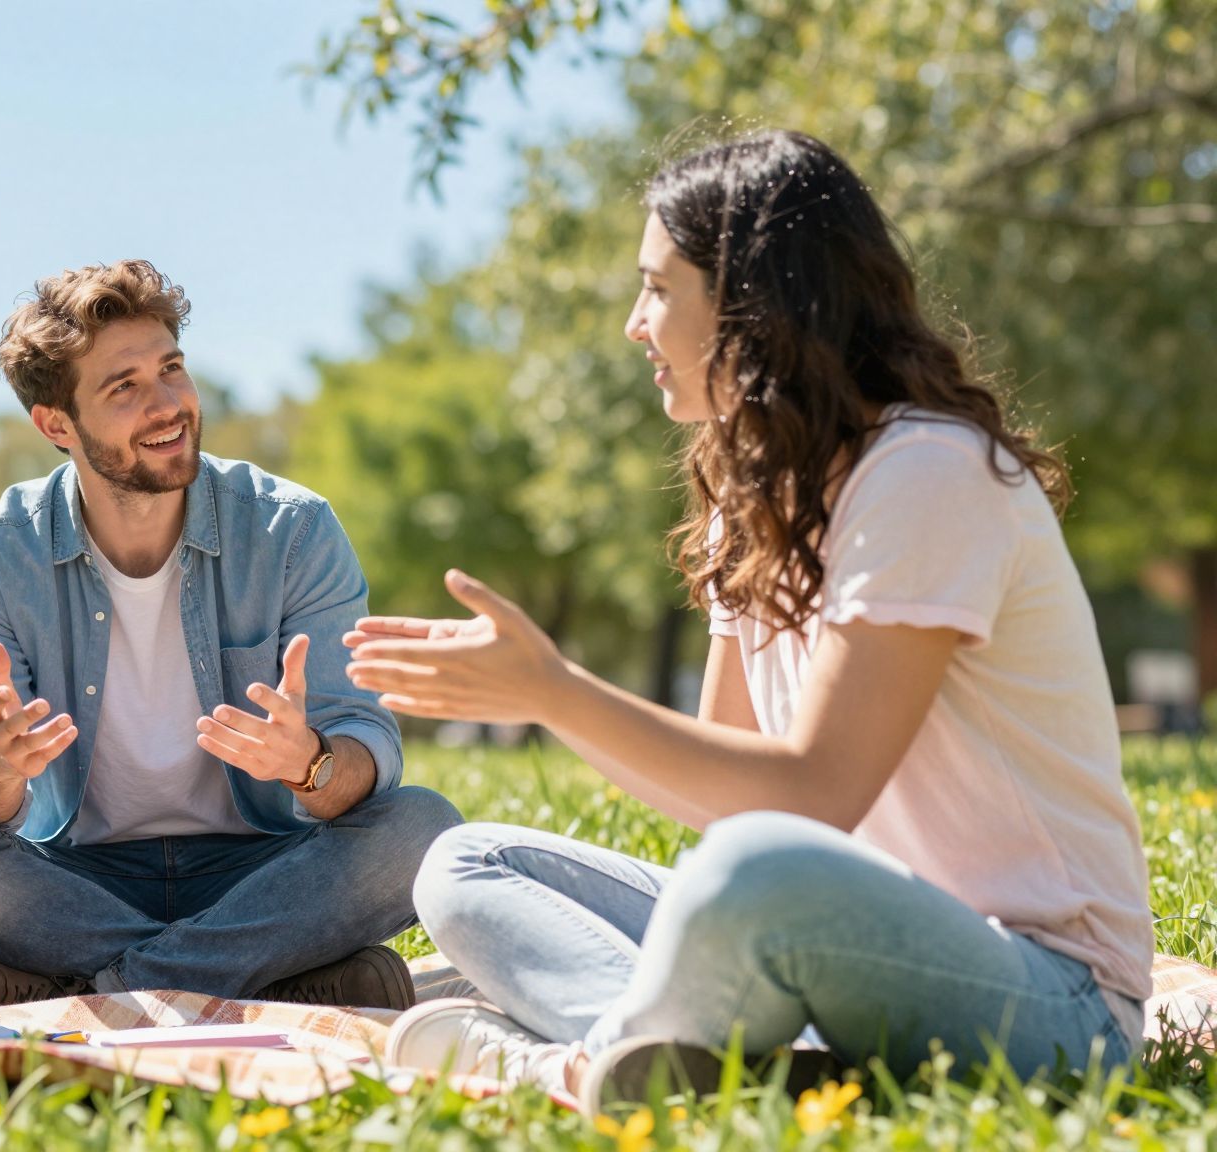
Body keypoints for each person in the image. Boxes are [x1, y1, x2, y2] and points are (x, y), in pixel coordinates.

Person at [347, 131, 1152, 1108]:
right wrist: (544, 699)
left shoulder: (922, 473)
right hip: (829, 941)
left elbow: (810, 798)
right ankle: (716, 1056)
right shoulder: (756, 494)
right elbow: (726, 778)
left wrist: (554, 691)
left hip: (1053, 1007)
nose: (632, 324)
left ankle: (567, 1061)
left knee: (752, 871)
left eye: (656, 288)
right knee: (467, 861)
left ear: (749, 303)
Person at [0, 259, 462, 1012]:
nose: (168, 405)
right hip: (75, 876)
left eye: (172, 369)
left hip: (265, 867)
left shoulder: (293, 529)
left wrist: (312, 765)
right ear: (56, 424)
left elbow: (363, 742)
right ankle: (271, 976)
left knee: (424, 828)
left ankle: (99, 988)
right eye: (123, 387)